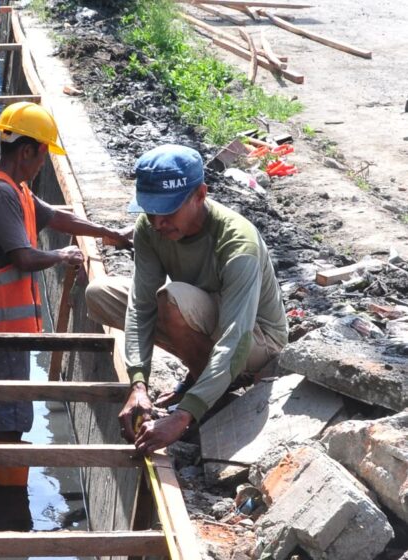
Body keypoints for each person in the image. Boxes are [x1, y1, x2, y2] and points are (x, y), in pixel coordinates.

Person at [0, 102, 130, 486]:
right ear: (27, 151)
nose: (43, 165)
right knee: (14, 419)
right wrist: (61, 254)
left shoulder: (13, 188)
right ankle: (7, 508)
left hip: (0, 331)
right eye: (43, 155)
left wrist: (107, 233)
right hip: (2, 333)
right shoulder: (1, 195)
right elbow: (22, 257)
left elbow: (54, 215)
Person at [84, 144, 288, 455]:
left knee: (172, 298)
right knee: (100, 294)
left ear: (200, 195)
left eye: (167, 212)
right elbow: (140, 307)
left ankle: (211, 397)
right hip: (206, 317)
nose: (157, 223)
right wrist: (138, 384)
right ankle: (202, 378)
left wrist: (183, 415)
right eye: (150, 212)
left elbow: (236, 339)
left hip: (256, 339)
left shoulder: (238, 244)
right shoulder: (151, 229)